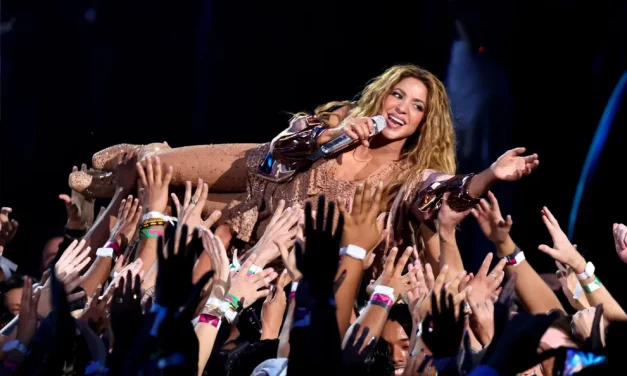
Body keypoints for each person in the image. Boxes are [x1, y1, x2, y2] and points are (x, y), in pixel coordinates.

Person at [70, 65, 539, 267]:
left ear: (423, 122)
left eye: (416, 106)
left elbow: (447, 193)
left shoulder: (409, 176)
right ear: (384, 94)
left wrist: (490, 175)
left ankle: (91, 238)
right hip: (256, 174)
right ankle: (99, 184)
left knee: (154, 198)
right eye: (398, 95)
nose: (401, 108)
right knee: (150, 165)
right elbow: (282, 151)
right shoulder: (343, 118)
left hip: (265, 226)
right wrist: (334, 136)